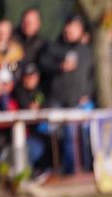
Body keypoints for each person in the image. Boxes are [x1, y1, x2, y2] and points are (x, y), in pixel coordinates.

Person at [39, 14, 94, 174]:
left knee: (77, 138)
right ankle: (60, 170)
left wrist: (88, 93)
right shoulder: (54, 48)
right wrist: (59, 66)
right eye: (69, 26)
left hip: (78, 102)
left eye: (75, 27)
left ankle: (81, 170)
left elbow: (93, 76)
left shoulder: (86, 51)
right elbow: (43, 64)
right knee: (56, 138)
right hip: (57, 101)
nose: (71, 30)